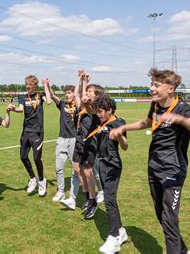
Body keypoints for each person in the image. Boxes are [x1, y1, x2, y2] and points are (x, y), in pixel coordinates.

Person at [111, 68, 190, 254]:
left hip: (173, 170)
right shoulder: (155, 105)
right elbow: (146, 123)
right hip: (153, 167)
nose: (151, 88)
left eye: (156, 85)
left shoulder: (182, 108)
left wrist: (179, 118)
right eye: (151, 84)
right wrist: (122, 128)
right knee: (161, 215)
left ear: (170, 88)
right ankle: (183, 250)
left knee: (170, 219)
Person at [91, 95, 128, 253]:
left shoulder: (118, 123)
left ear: (109, 110)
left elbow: (125, 146)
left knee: (109, 199)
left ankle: (114, 237)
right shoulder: (102, 123)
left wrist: (119, 136)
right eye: (97, 112)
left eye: (100, 112)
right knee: (109, 198)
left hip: (112, 165)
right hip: (101, 165)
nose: (98, 114)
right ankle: (121, 231)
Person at [64, 71, 103, 218]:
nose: (87, 93)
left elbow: (89, 106)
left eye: (90, 92)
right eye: (87, 92)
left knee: (87, 171)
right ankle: (88, 196)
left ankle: (92, 201)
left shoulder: (95, 107)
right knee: (77, 169)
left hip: (91, 143)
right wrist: (82, 80)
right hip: (79, 141)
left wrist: (85, 94)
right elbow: (77, 97)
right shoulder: (82, 106)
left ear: (97, 96)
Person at [8, 75, 52, 197]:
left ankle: (42, 180)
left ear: (35, 85)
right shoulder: (22, 97)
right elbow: (21, 109)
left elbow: (49, 101)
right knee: (23, 156)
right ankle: (33, 178)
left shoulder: (41, 95)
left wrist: (46, 85)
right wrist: (13, 109)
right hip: (26, 131)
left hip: (38, 131)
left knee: (37, 158)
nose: (28, 86)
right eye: (27, 84)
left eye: (30, 84)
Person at [47, 83, 79, 202]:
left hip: (74, 139)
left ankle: (72, 196)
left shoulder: (79, 106)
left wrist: (80, 80)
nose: (66, 95)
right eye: (65, 93)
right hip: (61, 139)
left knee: (75, 168)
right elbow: (52, 95)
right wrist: (47, 84)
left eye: (69, 93)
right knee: (58, 167)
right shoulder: (62, 104)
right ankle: (60, 191)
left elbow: (78, 95)